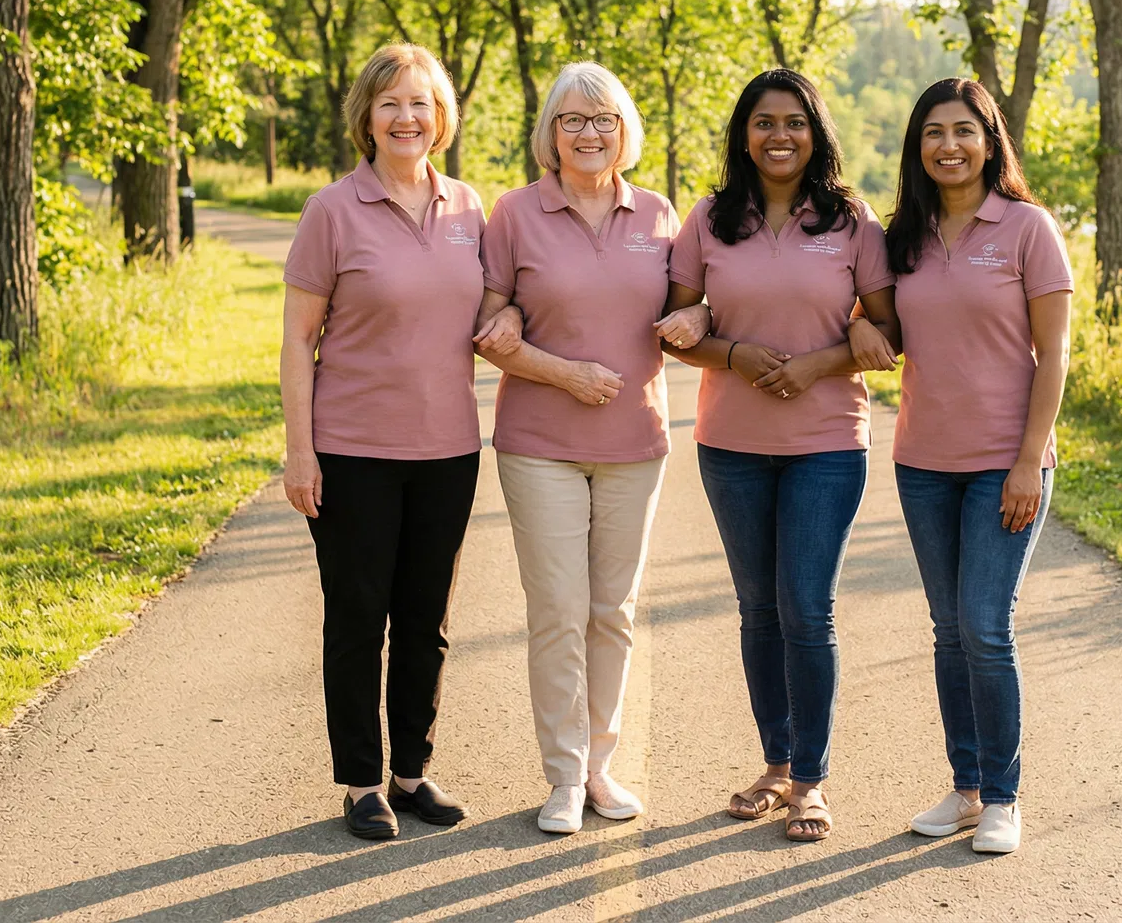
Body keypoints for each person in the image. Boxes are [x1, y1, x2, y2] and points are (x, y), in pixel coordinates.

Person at [279, 42, 518, 841]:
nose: (406, 117)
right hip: (352, 453)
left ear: (440, 117)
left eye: (421, 103)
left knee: (427, 620)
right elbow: (296, 343)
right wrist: (300, 450)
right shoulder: (331, 211)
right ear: (367, 118)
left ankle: (412, 772)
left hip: (447, 451)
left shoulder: (468, 207)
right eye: (391, 104)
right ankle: (359, 782)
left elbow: (495, 310)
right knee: (358, 619)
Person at [660, 68, 901, 843]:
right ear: (744, 134)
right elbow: (675, 329)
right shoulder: (707, 219)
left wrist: (820, 363)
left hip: (826, 445)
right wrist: (731, 353)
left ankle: (811, 781)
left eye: (794, 122)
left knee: (807, 607)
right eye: (764, 122)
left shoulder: (852, 220)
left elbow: (886, 336)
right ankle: (775, 762)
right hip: (730, 445)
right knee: (759, 610)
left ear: (815, 131)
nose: (779, 136)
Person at [474, 62, 707, 835]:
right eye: (572, 119)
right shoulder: (514, 213)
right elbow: (490, 318)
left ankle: (602, 768)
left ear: (623, 131)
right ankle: (564, 777)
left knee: (613, 611)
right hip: (539, 444)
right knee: (559, 611)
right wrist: (555, 368)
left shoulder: (658, 215)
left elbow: (690, 307)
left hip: (636, 442)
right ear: (550, 131)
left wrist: (701, 322)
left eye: (603, 119)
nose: (588, 133)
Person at [877, 77, 1073, 856]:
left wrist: (1030, 460)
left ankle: (1003, 796)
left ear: (991, 141)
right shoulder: (906, 235)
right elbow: (876, 322)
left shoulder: (1027, 228)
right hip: (923, 462)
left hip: (1005, 463)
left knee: (986, 628)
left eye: (963, 131)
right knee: (948, 631)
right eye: (933, 133)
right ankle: (964, 789)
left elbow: (1055, 352)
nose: (948, 146)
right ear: (916, 148)